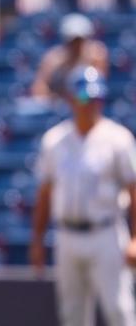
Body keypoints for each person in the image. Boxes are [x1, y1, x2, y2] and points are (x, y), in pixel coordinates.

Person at [30, 66, 136, 326]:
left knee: (119, 309)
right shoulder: (54, 140)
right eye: (86, 98)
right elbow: (44, 194)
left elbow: (134, 190)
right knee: (73, 315)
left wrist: (135, 238)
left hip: (107, 234)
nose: (91, 104)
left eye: (97, 98)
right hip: (66, 235)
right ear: (71, 99)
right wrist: (37, 239)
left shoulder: (118, 138)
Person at [32, 13, 109, 103]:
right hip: (59, 106)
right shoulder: (53, 58)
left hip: (85, 104)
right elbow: (39, 88)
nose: (76, 45)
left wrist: (79, 100)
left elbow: (97, 90)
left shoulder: (96, 55)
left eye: (79, 40)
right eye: (72, 41)